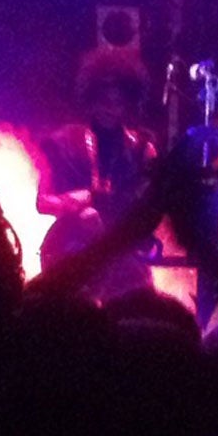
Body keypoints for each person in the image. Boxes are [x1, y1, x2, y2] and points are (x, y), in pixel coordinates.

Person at [35, 48, 158, 295]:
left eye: (118, 102)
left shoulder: (143, 148)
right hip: (69, 252)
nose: (109, 108)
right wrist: (78, 202)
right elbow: (42, 202)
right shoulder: (62, 141)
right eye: (103, 100)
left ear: (128, 104)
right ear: (91, 99)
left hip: (122, 255)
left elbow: (152, 210)